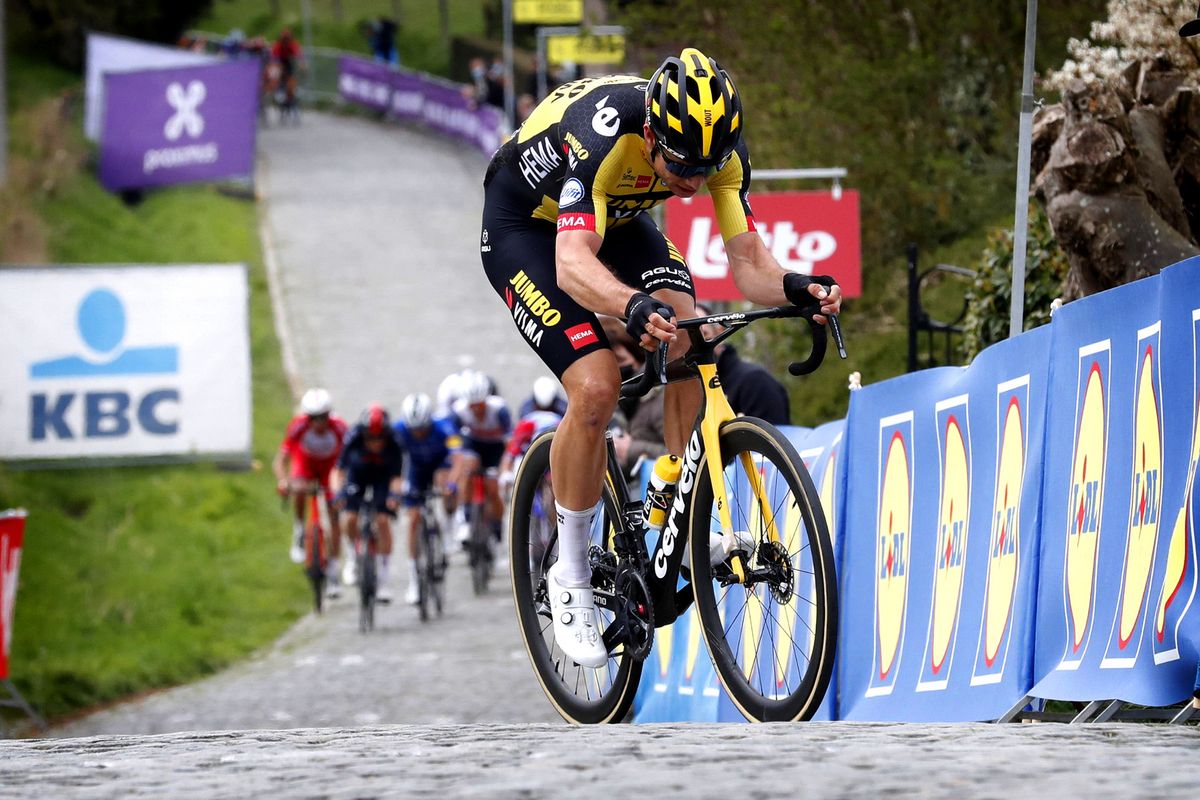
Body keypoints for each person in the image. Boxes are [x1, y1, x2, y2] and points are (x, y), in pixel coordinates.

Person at [479, 47, 843, 666]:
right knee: (594, 388)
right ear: (651, 133)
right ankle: (570, 572)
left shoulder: (717, 150)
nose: (693, 182)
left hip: (615, 218)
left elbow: (749, 260)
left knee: (692, 333)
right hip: (528, 229)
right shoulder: (603, 133)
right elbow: (571, 265)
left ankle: (683, 495)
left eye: (706, 167)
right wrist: (630, 306)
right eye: (680, 164)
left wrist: (795, 287)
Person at [273, 388, 349, 596]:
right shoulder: (297, 426)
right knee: (298, 489)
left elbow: (349, 462)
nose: (319, 423)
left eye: (323, 417)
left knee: (334, 516)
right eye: (313, 418)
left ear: (329, 415)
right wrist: (283, 481)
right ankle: (299, 530)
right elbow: (281, 459)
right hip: (306, 467)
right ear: (307, 417)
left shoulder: (341, 428)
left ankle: (334, 572)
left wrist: (343, 486)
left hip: (330, 470)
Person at [393, 392, 462, 604]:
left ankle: (450, 527)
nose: (419, 433)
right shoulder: (398, 430)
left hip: (440, 464)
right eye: (414, 430)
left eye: (422, 428)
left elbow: (458, 459)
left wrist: (451, 484)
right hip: (416, 469)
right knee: (413, 519)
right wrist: (397, 488)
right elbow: (393, 462)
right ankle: (415, 580)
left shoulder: (444, 428)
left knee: (443, 481)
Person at [332, 404, 404, 603]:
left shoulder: (395, 442)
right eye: (370, 438)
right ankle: (353, 556)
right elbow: (339, 470)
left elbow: (397, 478)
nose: (375, 443)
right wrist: (338, 493)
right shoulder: (353, 438)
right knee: (350, 518)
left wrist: (394, 497)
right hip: (358, 475)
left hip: (383, 477)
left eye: (379, 438)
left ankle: (384, 575)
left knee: (382, 520)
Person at [695, 301, 792, 425]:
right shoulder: (676, 390)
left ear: (720, 332)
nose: (694, 346)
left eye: (704, 335)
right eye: (684, 339)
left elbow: (774, 440)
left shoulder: (754, 382)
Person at [598, 315, 667, 476]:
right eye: (606, 366)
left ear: (636, 355)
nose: (615, 372)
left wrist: (630, 450)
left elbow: (684, 455)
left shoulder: (660, 396)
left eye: (620, 361)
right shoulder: (605, 404)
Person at [449, 372, 512, 547]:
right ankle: (467, 519)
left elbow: (509, 443)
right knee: (468, 470)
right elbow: (455, 443)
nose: (476, 410)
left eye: (480, 405)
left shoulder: (499, 410)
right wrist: (458, 467)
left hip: (495, 448)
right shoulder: (458, 410)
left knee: (492, 487)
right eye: (472, 406)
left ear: (487, 400)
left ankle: (497, 525)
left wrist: (505, 468)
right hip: (473, 445)